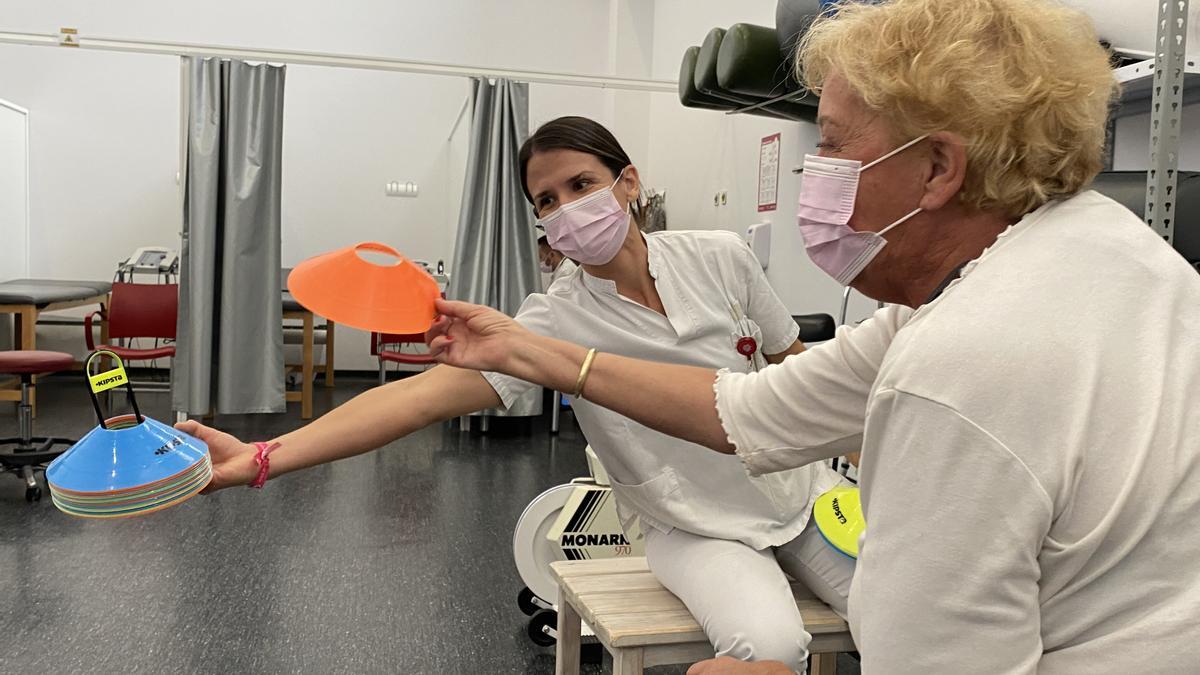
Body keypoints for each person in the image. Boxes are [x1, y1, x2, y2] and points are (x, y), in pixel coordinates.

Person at [421, 1, 1200, 673]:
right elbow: (751, 413)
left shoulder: (953, 365)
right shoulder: (1122, 252)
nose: (812, 171)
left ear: (937, 169)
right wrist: (538, 354)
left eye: (828, 143)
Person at [182, 116, 858, 670]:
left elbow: (792, 368)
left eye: (580, 184)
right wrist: (263, 457)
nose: (566, 210)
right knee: (769, 648)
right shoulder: (549, 319)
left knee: (904, 609)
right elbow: (414, 400)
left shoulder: (722, 257)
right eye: (546, 200)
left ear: (628, 183)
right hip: (694, 525)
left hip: (799, 491)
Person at [536, 225, 577, 290]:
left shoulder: (567, 271)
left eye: (540, 257)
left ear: (551, 255)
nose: (539, 262)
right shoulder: (560, 271)